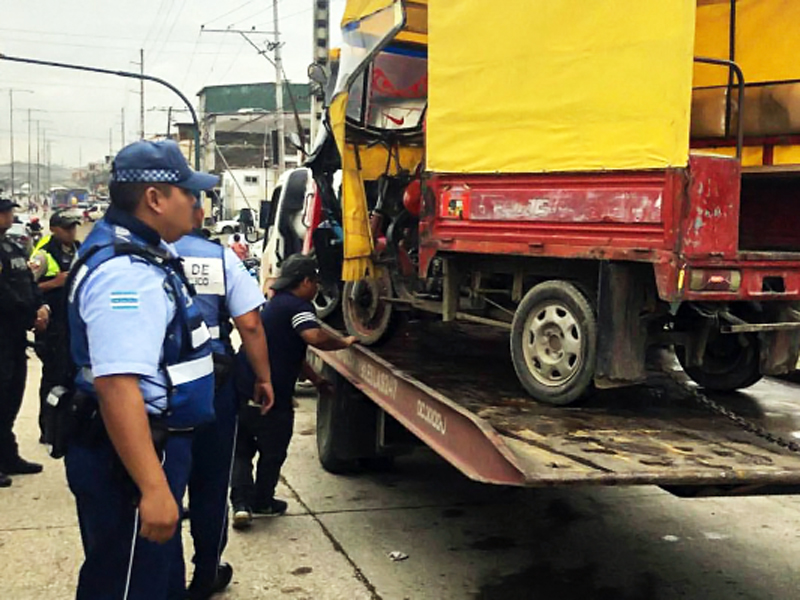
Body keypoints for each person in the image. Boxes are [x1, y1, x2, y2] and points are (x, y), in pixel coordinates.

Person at [64, 140, 219, 600]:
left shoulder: (138, 252)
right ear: (154, 198)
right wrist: (152, 487)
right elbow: (117, 387)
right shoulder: (126, 274)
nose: (195, 203)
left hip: (148, 447)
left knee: (151, 579)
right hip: (134, 454)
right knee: (130, 584)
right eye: (187, 193)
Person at [174, 201, 274, 599]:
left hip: (150, 384)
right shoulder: (218, 258)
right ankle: (205, 571)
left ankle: (161, 574)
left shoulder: (137, 253)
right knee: (211, 481)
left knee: (159, 482)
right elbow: (249, 323)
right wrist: (263, 378)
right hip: (210, 380)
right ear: (200, 216)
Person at [230, 254, 356, 528]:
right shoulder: (299, 306)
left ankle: (241, 505)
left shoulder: (275, 305)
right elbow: (312, 336)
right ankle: (263, 501)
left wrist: (317, 380)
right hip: (271, 391)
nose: (318, 288)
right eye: (316, 282)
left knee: (241, 449)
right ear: (307, 281)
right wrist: (343, 341)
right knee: (273, 450)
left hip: (242, 384)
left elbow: (291, 352)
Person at [0, 198, 50, 486]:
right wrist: (29, 311)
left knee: (11, 398)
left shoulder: (12, 246)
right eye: (4, 212)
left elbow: (28, 281)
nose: (9, 215)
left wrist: (41, 306)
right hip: (3, 332)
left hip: (15, 336)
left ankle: (8, 455)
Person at [32, 210, 82, 441]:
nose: (71, 232)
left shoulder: (79, 250)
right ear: (54, 229)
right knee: (53, 377)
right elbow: (27, 288)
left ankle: (68, 426)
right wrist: (55, 283)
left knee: (73, 377)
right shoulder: (43, 256)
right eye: (66, 227)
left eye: (73, 227)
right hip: (53, 328)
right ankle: (49, 429)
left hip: (74, 325)